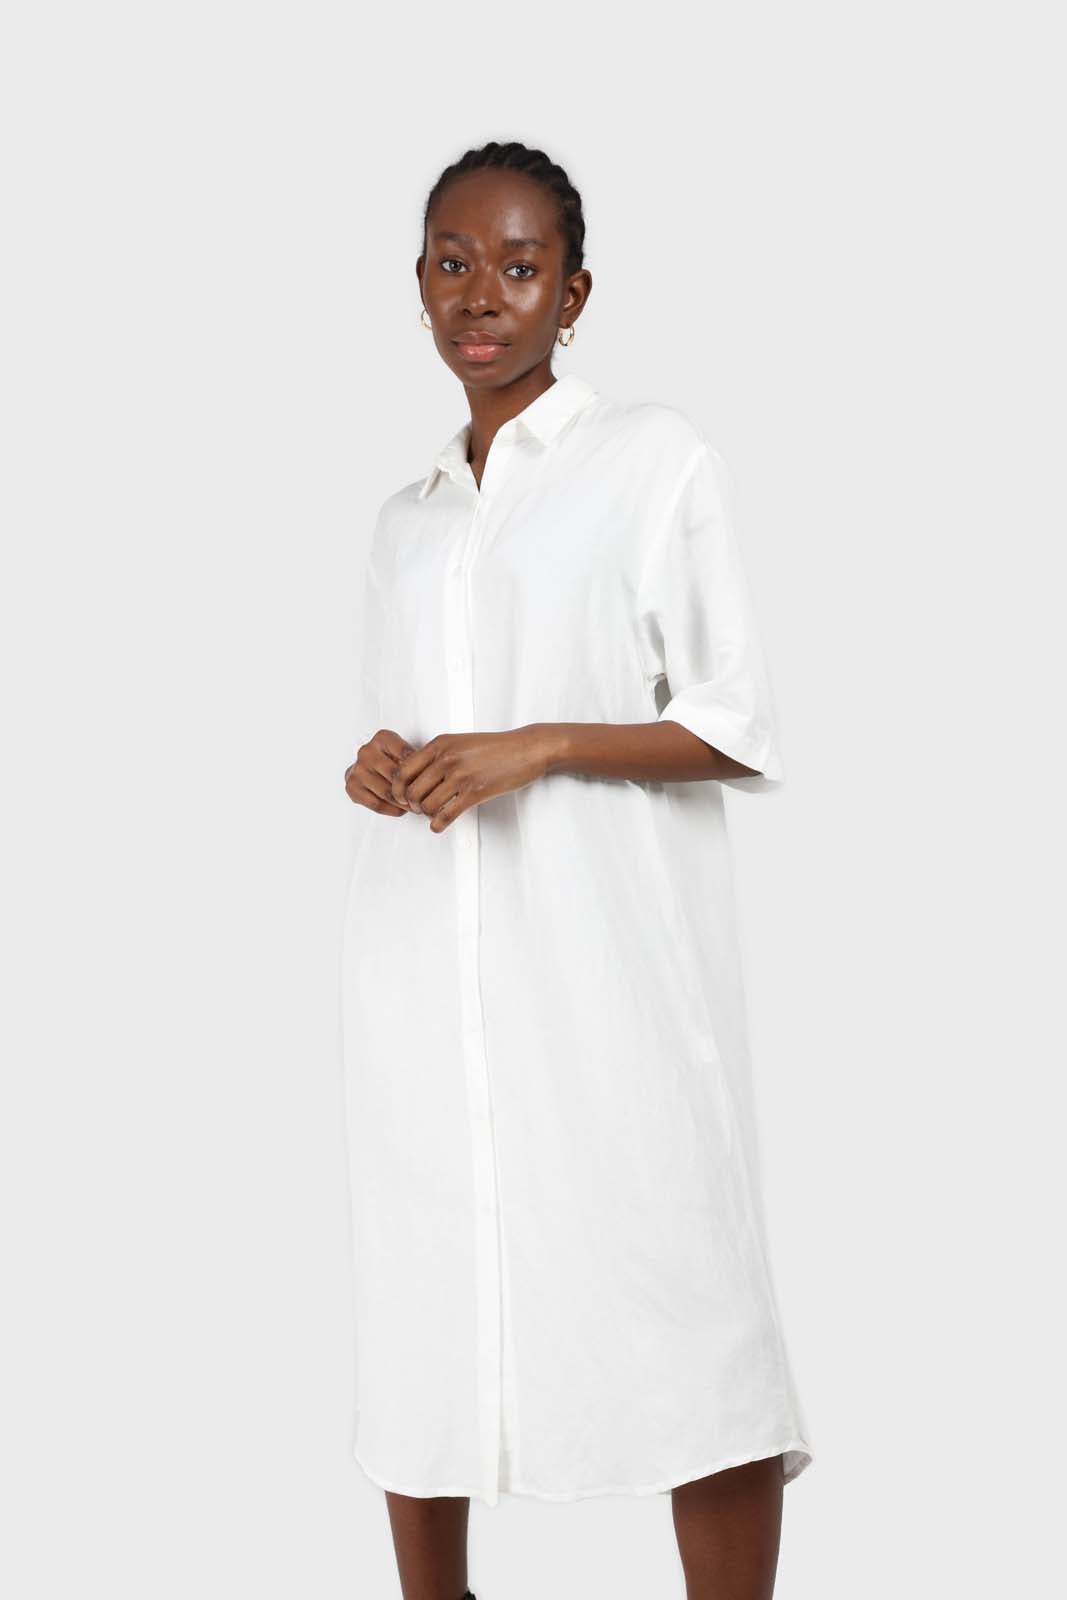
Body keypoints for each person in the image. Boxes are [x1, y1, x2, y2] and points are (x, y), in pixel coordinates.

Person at [341, 139, 814, 1600]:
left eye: (519, 265)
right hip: (430, 975)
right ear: (419, 283)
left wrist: (540, 744)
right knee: (429, 1310)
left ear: (575, 292)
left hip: (607, 975)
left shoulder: (653, 461)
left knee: (688, 1318)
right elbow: (423, 730)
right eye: (453, 263)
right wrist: (381, 762)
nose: (481, 294)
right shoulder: (409, 518)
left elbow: (735, 725)